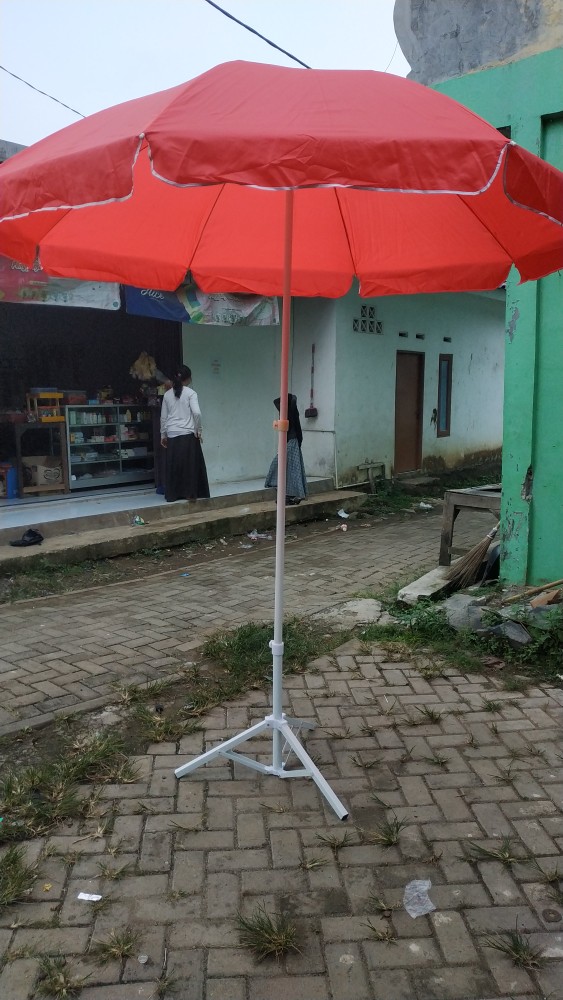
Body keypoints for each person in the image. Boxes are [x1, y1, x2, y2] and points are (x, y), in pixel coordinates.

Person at [160, 365, 210, 502]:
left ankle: (173, 495)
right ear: (188, 378)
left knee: (174, 465)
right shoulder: (191, 393)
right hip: (188, 434)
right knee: (190, 466)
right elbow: (197, 413)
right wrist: (198, 430)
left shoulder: (167, 395)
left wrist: (163, 435)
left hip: (172, 433)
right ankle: (190, 493)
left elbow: (163, 417)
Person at [265, 393, 308, 505]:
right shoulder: (287, 411)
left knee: (283, 467)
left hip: (292, 441)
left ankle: (290, 495)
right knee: (287, 469)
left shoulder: (291, 411)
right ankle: (289, 496)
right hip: (290, 441)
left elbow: (295, 428)